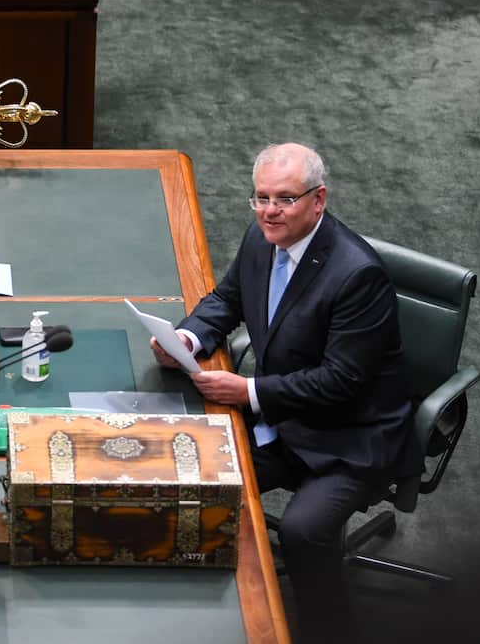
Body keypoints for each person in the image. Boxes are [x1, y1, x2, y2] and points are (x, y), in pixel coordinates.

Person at [150, 143, 419, 643]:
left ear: (319, 200)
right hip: (284, 419)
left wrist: (247, 390)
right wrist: (187, 338)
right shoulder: (264, 238)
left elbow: (341, 382)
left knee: (302, 532)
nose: (270, 211)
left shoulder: (357, 275)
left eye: (285, 199)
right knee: (192, 464)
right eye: (261, 198)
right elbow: (228, 298)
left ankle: (329, 628)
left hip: (348, 438)